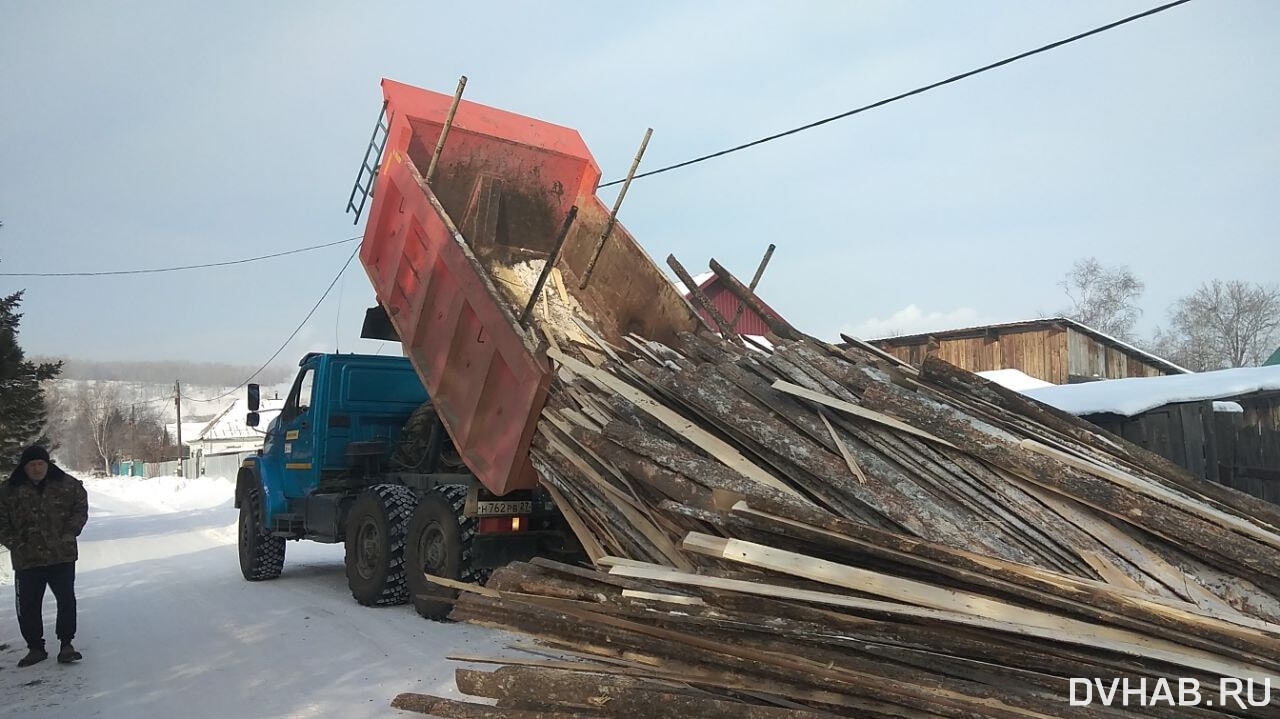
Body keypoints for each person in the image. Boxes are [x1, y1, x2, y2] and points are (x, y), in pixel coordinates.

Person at [0, 446, 88, 667]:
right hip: (26, 559)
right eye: (32, 465)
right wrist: (15, 543)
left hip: (62, 555)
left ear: (48, 464)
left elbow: (80, 507)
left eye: (41, 464)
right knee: (28, 604)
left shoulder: (67, 484)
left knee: (66, 600)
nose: (37, 468)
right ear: (24, 467)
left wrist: (70, 532)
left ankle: (66, 644)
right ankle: (35, 648)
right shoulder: (9, 490)